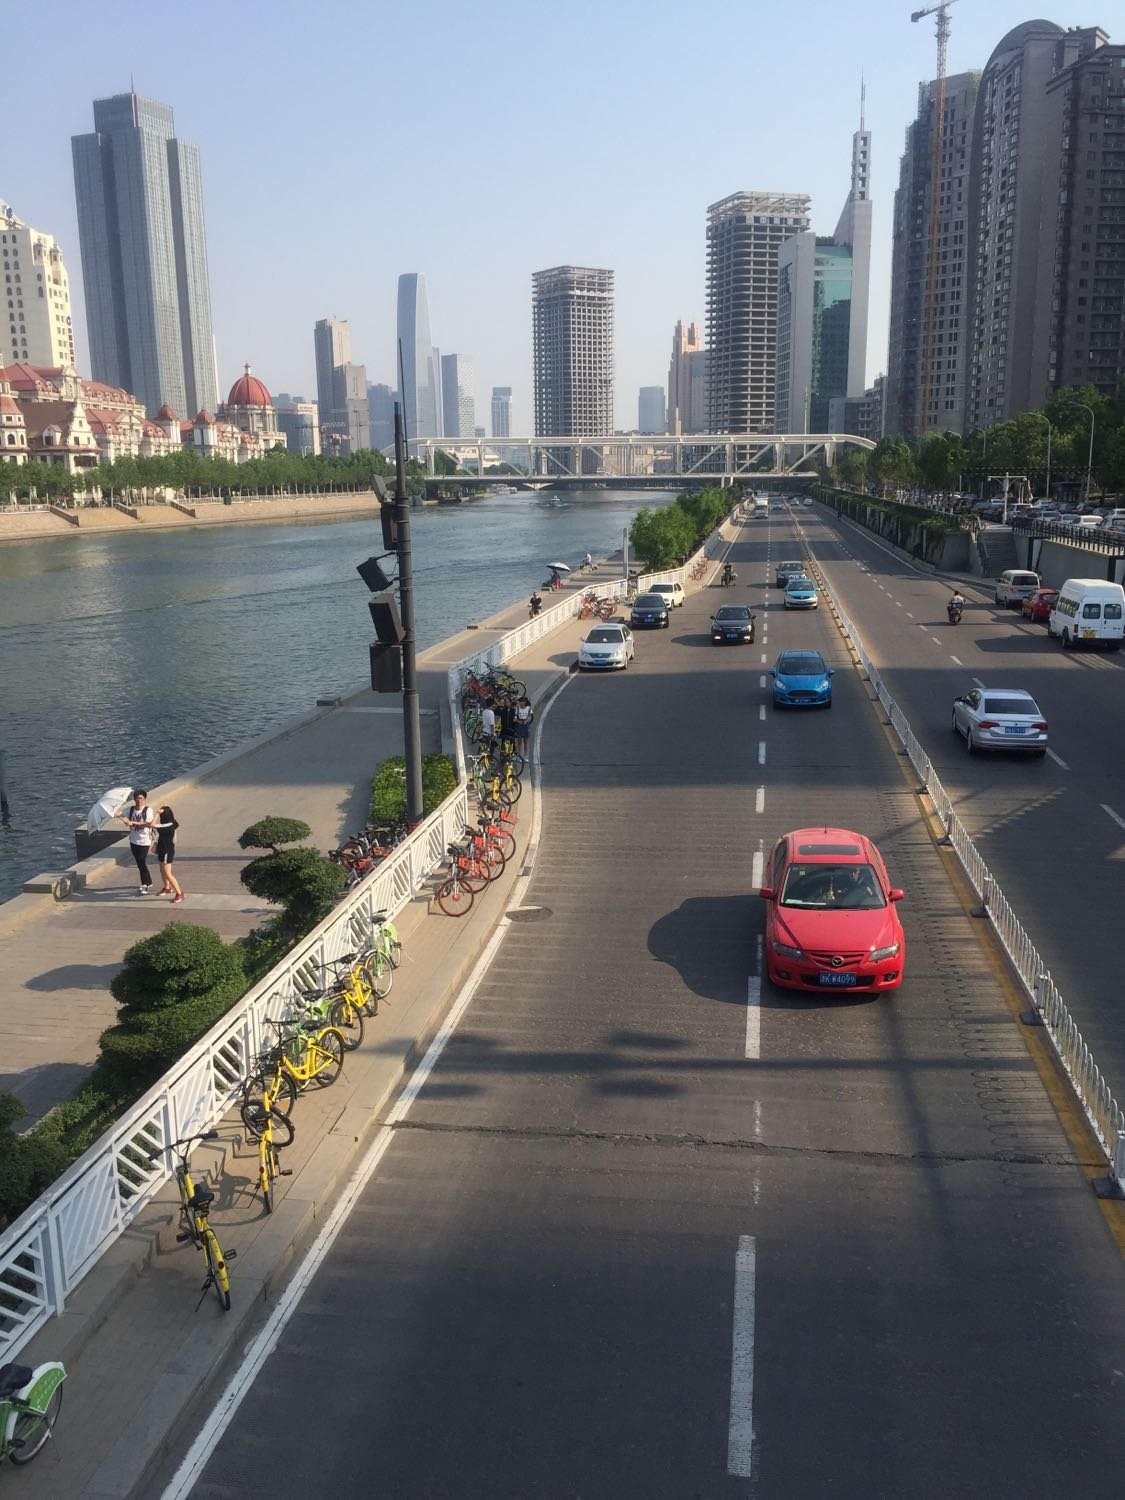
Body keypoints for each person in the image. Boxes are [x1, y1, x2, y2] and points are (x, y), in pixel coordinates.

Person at [117, 788, 155, 894]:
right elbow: (120, 814)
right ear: (134, 799)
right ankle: (148, 881)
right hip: (133, 841)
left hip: (145, 841)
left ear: (144, 799)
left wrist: (132, 823)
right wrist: (115, 813)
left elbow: (148, 824)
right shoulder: (130, 809)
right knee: (139, 863)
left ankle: (144, 884)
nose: (139, 800)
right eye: (137, 798)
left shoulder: (148, 810)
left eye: (141, 798)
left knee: (141, 861)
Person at [154, 805, 185, 904]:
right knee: (162, 870)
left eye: (162, 815)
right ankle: (167, 888)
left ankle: (179, 893)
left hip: (167, 851)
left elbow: (152, 824)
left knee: (168, 873)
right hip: (162, 849)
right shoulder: (171, 823)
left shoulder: (168, 825)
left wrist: (157, 813)